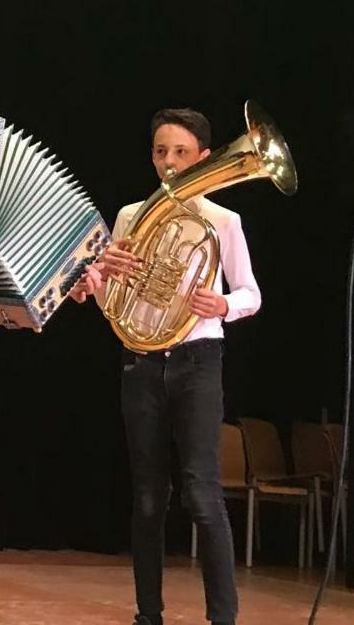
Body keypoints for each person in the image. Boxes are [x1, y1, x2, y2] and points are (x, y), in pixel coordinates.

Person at [70, 108, 261, 625]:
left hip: (198, 360)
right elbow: (115, 296)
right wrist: (97, 276)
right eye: (160, 152)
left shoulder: (223, 221)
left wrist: (224, 305)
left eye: (180, 152)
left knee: (203, 493)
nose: (169, 162)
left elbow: (250, 292)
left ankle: (223, 617)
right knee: (149, 497)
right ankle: (147, 615)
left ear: (204, 157)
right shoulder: (133, 215)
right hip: (143, 362)